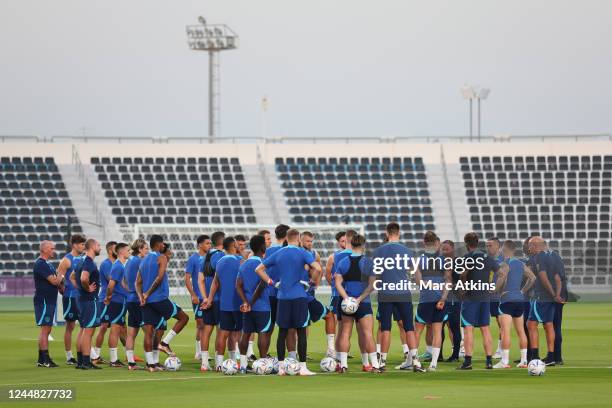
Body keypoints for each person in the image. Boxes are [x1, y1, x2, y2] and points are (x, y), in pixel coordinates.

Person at [256, 228, 322, 376]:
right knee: (301, 331)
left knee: (282, 331)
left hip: (282, 296)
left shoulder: (279, 252)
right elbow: (317, 267)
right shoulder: (302, 252)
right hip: (299, 296)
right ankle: (303, 367)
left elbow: (259, 269)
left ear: (286, 238)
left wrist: (272, 283)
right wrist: (310, 283)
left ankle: (280, 368)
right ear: (298, 239)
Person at [374, 222, 424, 372]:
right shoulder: (407, 251)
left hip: (386, 292)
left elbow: (375, 274)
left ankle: (382, 362)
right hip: (403, 292)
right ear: (399, 233)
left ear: (386, 233)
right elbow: (415, 273)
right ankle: (415, 361)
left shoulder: (379, 251)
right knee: (409, 327)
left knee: (385, 328)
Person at [137, 235, 189, 372]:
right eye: (162, 244)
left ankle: (151, 364)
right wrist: (148, 293)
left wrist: (141, 296)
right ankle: (165, 343)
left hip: (146, 301)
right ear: (159, 244)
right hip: (159, 299)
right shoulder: (161, 257)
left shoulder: (143, 260)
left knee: (150, 332)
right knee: (184, 317)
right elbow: (159, 278)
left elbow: (138, 282)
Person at [334, 234, 380, 373]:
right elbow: (372, 285)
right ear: (363, 246)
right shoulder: (368, 262)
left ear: (351, 245)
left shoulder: (342, 262)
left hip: (346, 303)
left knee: (344, 333)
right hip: (363, 303)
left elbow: (338, 283)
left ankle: (343, 365)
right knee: (367, 334)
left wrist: (347, 298)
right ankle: (375, 366)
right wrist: (359, 300)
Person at [457, 232, 498, 370]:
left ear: (466, 244)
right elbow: (502, 271)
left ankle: (468, 361)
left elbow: (462, 274)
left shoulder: (466, 258)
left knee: (468, 329)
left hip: (470, 297)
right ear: (478, 242)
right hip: (485, 297)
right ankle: (489, 361)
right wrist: (494, 287)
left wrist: (462, 287)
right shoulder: (487, 257)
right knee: (485, 329)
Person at [494, 240, 536, 368]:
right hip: (519, 300)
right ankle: (524, 361)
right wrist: (522, 290)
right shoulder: (521, 263)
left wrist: (494, 290)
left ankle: (504, 362)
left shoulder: (505, 263)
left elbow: (502, 278)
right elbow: (533, 277)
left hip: (507, 299)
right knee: (521, 331)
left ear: (504, 249)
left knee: (505, 330)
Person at [414, 231, 452, 371]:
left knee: (417, 331)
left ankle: (414, 360)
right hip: (440, 299)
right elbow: (449, 281)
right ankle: (434, 364)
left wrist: (430, 285)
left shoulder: (419, 260)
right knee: (437, 331)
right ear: (437, 243)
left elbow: (418, 282)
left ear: (424, 243)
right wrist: (443, 297)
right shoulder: (445, 260)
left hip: (426, 299)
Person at [205, 237, 243, 371]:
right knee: (237, 335)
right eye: (237, 244)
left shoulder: (220, 261)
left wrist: (209, 299)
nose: (239, 246)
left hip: (224, 303)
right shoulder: (239, 261)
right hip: (238, 303)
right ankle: (239, 363)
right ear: (233, 245)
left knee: (223, 333)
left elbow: (215, 282)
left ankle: (219, 364)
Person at [236, 235, 271, 370]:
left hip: (248, 307)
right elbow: (262, 285)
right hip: (261, 306)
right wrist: (251, 302)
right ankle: (262, 365)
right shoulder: (262, 263)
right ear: (262, 247)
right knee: (263, 333)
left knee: (246, 333)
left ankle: (243, 365)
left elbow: (238, 285)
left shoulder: (244, 264)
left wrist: (245, 302)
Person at [527, 236, 563, 366]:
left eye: (530, 245)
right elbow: (557, 278)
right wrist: (557, 295)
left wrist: (553, 294)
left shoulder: (539, 257)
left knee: (531, 324)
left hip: (541, 297)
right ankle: (551, 356)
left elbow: (542, 276)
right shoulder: (552, 256)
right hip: (551, 298)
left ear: (537, 245)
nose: (528, 247)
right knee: (548, 325)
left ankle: (535, 356)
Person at [56, 233, 86, 365]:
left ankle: (83, 353)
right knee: (70, 326)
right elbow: (58, 278)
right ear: (74, 245)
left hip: (82, 297)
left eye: (84, 244)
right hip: (71, 297)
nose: (83, 246)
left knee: (85, 325)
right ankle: (69, 356)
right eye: (81, 244)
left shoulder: (83, 258)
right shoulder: (66, 260)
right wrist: (62, 289)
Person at [197, 231, 225, 370]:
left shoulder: (205, 257)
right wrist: (212, 298)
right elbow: (218, 280)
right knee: (221, 331)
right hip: (219, 299)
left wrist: (205, 298)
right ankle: (219, 364)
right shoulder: (221, 256)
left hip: (208, 299)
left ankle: (204, 363)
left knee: (206, 330)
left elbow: (200, 280)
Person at [33, 240, 63, 367]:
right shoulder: (41, 264)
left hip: (49, 300)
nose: (53, 250)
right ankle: (45, 359)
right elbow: (54, 281)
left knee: (46, 328)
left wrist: (60, 285)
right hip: (44, 300)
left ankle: (41, 359)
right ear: (44, 249)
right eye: (51, 248)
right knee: (45, 329)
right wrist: (61, 275)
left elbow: (56, 283)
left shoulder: (48, 264)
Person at [74, 238, 102, 370]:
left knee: (83, 329)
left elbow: (72, 277)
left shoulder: (81, 261)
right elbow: (83, 278)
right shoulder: (89, 262)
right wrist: (86, 288)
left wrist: (80, 289)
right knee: (88, 331)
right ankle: (86, 361)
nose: (100, 247)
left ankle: (80, 361)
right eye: (98, 245)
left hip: (82, 299)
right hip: (89, 300)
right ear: (92, 247)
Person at [103, 242, 130, 367]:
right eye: (127, 250)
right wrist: (108, 297)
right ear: (121, 252)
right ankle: (113, 360)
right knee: (115, 329)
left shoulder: (121, 265)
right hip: (118, 301)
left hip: (120, 300)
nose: (129, 252)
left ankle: (115, 359)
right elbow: (111, 285)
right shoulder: (118, 266)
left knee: (117, 329)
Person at [185, 234, 211, 361]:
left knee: (208, 324)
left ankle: (204, 351)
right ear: (200, 244)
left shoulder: (210, 258)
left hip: (208, 297)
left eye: (210, 243)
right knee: (200, 323)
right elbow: (187, 279)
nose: (209, 245)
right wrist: (193, 295)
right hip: (199, 297)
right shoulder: (193, 259)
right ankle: (198, 351)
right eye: (207, 243)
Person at [124, 238, 148, 370]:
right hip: (138, 300)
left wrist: (130, 291)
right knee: (149, 331)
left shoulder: (129, 261)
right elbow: (143, 280)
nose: (147, 251)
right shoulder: (140, 261)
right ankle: (151, 361)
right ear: (139, 249)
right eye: (146, 249)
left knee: (131, 333)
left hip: (130, 299)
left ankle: (131, 363)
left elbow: (123, 280)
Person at [92, 241, 117, 364]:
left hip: (116, 300)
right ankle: (96, 355)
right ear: (110, 251)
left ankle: (130, 355)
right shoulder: (106, 264)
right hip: (105, 299)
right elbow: (111, 280)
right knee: (103, 327)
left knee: (120, 327)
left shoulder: (118, 263)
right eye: (115, 249)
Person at [440, 240, 462, 362]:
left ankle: (455, 354)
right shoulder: (441, 261)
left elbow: (460, 280)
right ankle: (439, 354)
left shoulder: (457, 261)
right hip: (442, 299)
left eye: (446, 249)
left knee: (454, 327)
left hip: (453, 299)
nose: (444, 252)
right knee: (439, 327)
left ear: (452, 249)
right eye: (443, 249)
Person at [486, 237, 504, 359]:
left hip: (499, 297)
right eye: (487, 245)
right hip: (486, 297)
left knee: (501, 323)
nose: (488, 248)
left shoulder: (503, 260)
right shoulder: (486, 260)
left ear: (498, 246)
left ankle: (500, 349)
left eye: (490, 245)